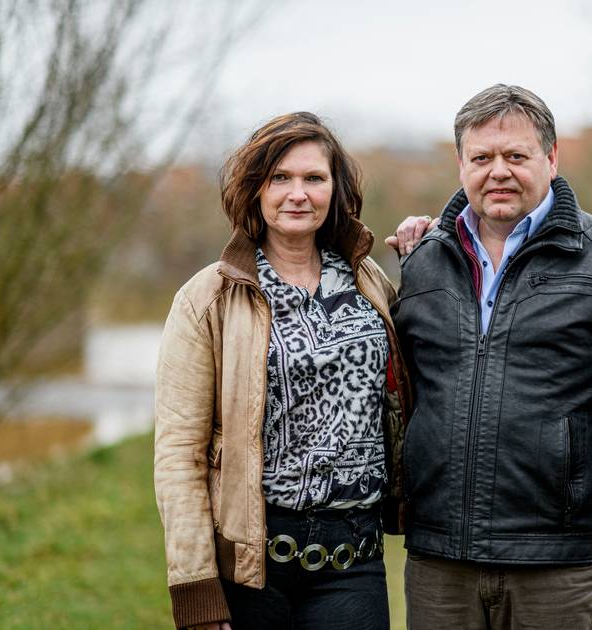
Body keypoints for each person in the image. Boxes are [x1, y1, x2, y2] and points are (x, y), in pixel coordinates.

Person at [389, 84, 592, 628]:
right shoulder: (424, 263)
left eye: (515, 156)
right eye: (481, 158)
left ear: (551, 158)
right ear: (461, 164)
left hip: (555, 562)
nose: (497, 171)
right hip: (439, 559)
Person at [153, 112, 411, 630]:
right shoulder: (208, 298)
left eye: (314, 178)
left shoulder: (370, 282)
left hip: (354, 564)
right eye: (280, 178)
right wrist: (196, 588)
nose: (298, 193)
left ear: (334, 190)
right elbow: (179, 454)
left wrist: (429, 247)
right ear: (255, 190)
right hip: (252, 571)